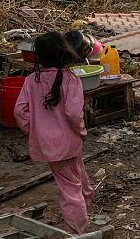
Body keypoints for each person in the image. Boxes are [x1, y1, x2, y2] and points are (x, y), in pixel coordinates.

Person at [14, 32, 93, 233]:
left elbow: (19, 112)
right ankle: (77, 232)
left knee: (73, 184)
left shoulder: (32, 80)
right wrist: (82, 132)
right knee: (75, 185)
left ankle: (81, 219)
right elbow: (74, 114)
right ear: (64, 52)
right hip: (71, 142)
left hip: (49, 145)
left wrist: (35, 132)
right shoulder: (71, 79)